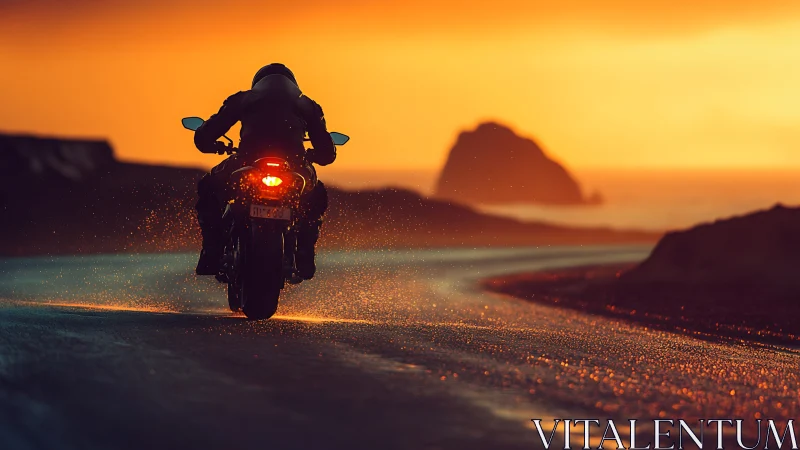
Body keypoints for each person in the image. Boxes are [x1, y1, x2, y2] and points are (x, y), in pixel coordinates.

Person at [193, 63, 336, 279]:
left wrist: (216, 146)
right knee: (316, 195)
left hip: (247, 162)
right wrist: (315, 154)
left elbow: (204, 138)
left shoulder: (243, 99)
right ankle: (305, 253)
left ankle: (212, 250)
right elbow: (327, 154)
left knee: (208, 186)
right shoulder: (308, 105)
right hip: (294, 166)